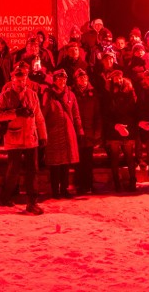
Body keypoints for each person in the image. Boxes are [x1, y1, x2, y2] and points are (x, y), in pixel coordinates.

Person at [0, 67, 47, 215]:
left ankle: (32, 202)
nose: (21, 83)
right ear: (12, 80)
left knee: (33, 171)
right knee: (13, 170)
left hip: (31, 137)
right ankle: (5, 195)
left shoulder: (32, 95)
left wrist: (43, 136)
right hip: (14, 138)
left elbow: (39, 117)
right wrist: (15, 113)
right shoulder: (6, 95)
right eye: (18, 80)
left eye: (23, 80)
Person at [41, 69, 83, 199]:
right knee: (55, 164)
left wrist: (79, 129)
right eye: (59, 79)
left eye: (64, 79)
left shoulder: (70, 95)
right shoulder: (48, 94)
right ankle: (55, 190)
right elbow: (43, 113)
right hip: (53, 132)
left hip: (68, 131)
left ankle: (64, 188)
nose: (62, 81)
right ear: (54, 80)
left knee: (65, 163)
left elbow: (76, 114)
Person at [102, 71, 138, 192]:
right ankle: (117, 182)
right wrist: (115, 126)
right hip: (114, 129)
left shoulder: (129, 91)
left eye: (120, 77)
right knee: (115, 157)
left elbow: (133, 110)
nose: (119, 80)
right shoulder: (108, 93)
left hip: (127, 128)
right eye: (116, 78)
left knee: (129, 156)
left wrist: (126, 126)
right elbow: (106, 113)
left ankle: (133, 181)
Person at [72, 68, 102, 194]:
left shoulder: (93, 93)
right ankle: (79, 184)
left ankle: (89, 184)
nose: (83, 80)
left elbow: (97, 113)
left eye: (84, 78)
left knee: (88, 161)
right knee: (78, 161)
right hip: (77, 131)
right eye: (80, 78)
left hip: (89, 131)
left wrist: (97, 132)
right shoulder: (72, 93)